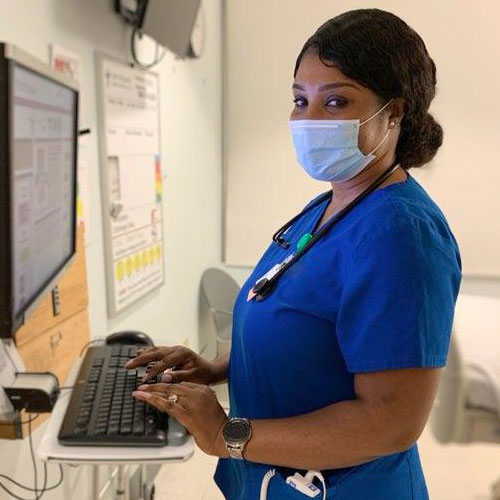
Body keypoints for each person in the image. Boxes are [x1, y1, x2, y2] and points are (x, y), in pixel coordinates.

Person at [127, 8, 462, 499]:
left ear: (395, 112)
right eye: (300, 100)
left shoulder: (400, 235)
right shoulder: (336, 203)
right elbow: (309, 331)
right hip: (277, 475)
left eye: (335, 102)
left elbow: (389, 424)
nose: (308, 120)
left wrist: (226, 434)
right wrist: (217, 367)